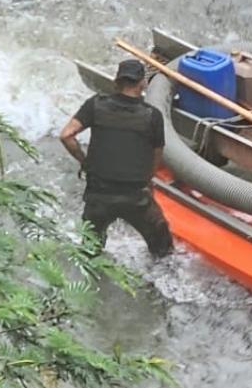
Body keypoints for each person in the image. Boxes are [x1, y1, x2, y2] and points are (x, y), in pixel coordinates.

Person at [58, 59, 172, 257]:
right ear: (143, 83)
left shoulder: (95, 105)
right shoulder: (152, 116)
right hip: (136, 197)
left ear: (116, 82)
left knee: (89, 251)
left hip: (99, 194)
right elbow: (157, 153)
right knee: (162, 247)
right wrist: (147, 178)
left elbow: (66, 135)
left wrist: (85, 162)